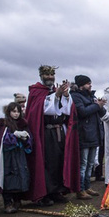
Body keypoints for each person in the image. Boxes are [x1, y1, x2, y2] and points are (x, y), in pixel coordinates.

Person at [25, 65, 80, 206]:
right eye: (47, 75)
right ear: (41, 76)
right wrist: (57, 95)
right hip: (46, 132)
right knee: (47, 162)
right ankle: (46, 193)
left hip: (59, 131)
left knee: (60, 161)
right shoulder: (36, 91)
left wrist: (65, 95)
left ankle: (57, 191)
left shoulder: (56, 91)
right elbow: (42, 109)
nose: (50, 77)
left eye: (52, 75)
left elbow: (67, 110)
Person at [0, 102, 33, 213]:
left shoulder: (23, 123)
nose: (16, 114)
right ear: (9, 112)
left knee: (20, 176)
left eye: (18, 111)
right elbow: (1, 139)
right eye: (14, 111)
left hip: (19, 155)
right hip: (7, 156)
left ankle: (17, 200)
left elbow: (29, 139)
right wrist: (14, 135)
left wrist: (25, 138)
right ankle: (8, 202)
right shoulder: (3, 124)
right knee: (8, 177)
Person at [71, 75, 106, 199]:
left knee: (90, 163)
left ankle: (87, 186)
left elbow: (102, 113)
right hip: (84, 133)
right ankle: (80, 189)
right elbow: (82, 112)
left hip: (94, 133)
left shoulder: (91, 96)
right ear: (81, 85)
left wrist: (100, 105)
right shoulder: (75, 96)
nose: (90, 85)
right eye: (87, 83)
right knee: (83, 163)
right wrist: (97, 105)